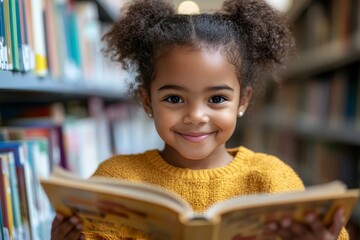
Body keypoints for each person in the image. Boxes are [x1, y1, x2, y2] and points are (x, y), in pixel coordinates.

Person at [51, 0, 349, 239]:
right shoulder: (115, 180)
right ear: (147, 101)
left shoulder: (272, 179)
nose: (195, 116)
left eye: (217, 99)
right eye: (174, 99)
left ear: (242, 100)